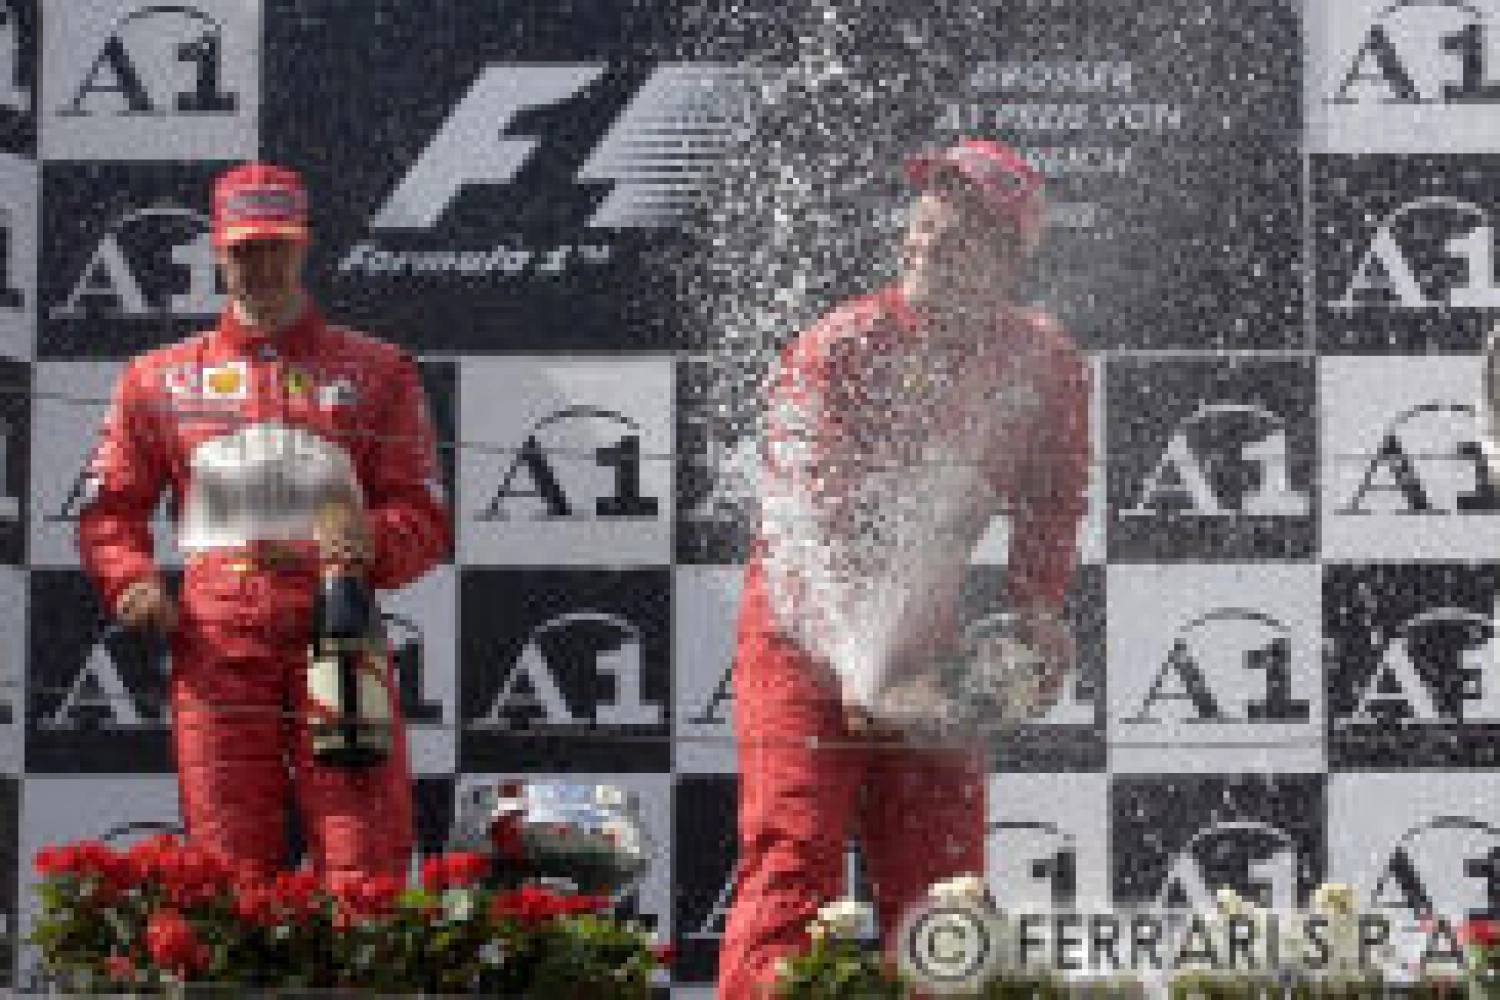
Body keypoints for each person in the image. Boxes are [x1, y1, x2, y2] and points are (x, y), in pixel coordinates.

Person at [718, 138, 1091, 997]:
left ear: (1009, 255)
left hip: (927, 643)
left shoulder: (1046, 363)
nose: (927, 237)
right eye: (924, 222)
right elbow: (798, 527)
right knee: (792, 864)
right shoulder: (835, 346)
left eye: (958, 229)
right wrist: (858, 663)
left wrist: (1037, 610)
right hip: (800, 640)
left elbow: (1055, 500)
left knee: (943, 893)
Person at [76, 162, 451, 890]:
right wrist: (131, 583)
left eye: (276, 246)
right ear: (217, 251)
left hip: (340, 636)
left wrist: (376, 540)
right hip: (216, 640)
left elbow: (424, 512)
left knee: (364, 862)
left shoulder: (378, 370)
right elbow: (110, 509)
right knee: (226, 873)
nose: (263, 265)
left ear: (304, 245)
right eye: (246, 249)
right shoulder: (158, 378)